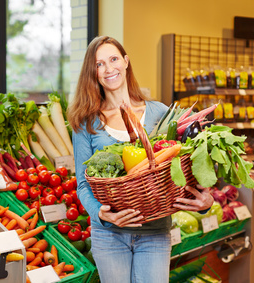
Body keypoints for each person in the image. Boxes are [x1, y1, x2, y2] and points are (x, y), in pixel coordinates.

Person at [67, 36, 214, 283]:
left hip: (155, 232)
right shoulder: (85, 123)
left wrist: (206, 200)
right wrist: (103, 215)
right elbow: (82, 184)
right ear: (92, 72)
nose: (108, 68)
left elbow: (185, 165)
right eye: (99, 64)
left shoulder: (160, 113)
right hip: (109, 235)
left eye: (113, 59)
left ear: (126, 62)